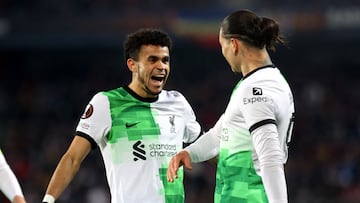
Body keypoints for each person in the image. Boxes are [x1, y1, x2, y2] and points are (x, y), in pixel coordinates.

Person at [42, 28, 202, 203]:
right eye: (152, 60)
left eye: (165, 60)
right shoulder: (107, 103)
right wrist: (48, 200)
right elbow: (72, 158)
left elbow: (208, 146)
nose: (161, 66)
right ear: (132, 64)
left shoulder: (178, 103)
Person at [167, 9, 295, 203]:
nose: (222, 52)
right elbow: (220, 134)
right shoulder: (259, 83)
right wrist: (189, 153)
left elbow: (270, 158)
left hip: (249, 197)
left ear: (233, 44)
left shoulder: (255, 90)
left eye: (222, 45)